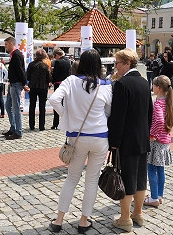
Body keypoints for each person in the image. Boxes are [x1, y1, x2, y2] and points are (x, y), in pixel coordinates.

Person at [48, 49, 112, 234]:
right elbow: (108, 111)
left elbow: (53, 99)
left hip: (77, 137)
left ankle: (59, 220)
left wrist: (67, 115)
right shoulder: (105, 84)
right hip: (100, 136)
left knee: (71, 178)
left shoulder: (71, 81)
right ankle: (84, 221)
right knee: (91, 180)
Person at [108, 48, 153, 232]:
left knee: (126, 179)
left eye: (117, 63)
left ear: (127, 63)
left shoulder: (122, 84)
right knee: (141, 178)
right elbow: (149, 112)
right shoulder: (144, 82)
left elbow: (118, 117)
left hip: (126, 140)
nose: (115, 67)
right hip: (142, 138)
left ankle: (125, 219)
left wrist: (113, 143)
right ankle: (138, 214)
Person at [144, 75, 173, 207]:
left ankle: (154, 197)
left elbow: (159, 120)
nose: (152, 87)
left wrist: (152, 134)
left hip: (156, 141)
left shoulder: (157, 104)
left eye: (154, 85)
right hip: (165, 140)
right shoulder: (167, 101)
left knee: (151, 169)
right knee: (160, 170)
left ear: (159, 88)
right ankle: (160, 195)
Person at [1, 36, 27, 140]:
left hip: (16, 84)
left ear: (11, 44)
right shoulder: (14, 55)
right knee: (8, 106)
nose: (5, 47)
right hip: (12, 84)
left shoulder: (16, 54)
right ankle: (13, 128)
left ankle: (18, 131)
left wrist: (24, 84)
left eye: (6, 44)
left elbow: (20, 70)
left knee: (16, 108)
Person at [26, 49, 51, 131]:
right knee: (42, 106)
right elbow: (49, 78)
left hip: (33, 87)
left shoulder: (31, 65)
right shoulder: (45, 66)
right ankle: (41, 126)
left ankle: (31, 125)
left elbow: (28, 76)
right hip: (43, 88)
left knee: (32, 105)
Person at [51, 48, 71, 129]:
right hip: (67, 84)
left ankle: (56, 123)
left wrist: (52, 81)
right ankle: (66, 121)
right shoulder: (68, 61)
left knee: (57, 103)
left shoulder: (58, 62)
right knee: (65, 103)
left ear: (57, 55)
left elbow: (55, 74)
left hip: (58, 84)